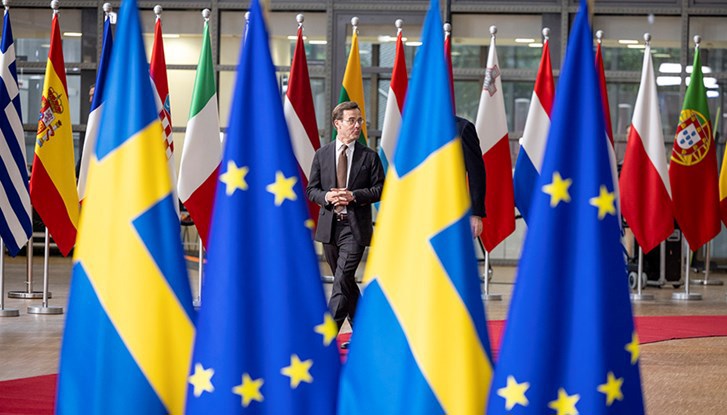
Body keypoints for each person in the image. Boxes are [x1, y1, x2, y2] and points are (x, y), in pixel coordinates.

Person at [306, 101, 385, 347]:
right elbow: (311, 190)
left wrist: (354, 196)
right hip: (330, 228)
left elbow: (381, 189)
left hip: (355, 228)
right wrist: (327, 197)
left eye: (360, 121)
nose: (357, 125)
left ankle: (326, 337)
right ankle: (365, 333)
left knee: (341, 280)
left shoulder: (369, 156)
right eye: (351, 120)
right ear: (337, 123)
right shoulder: (322, 154)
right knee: (346, 281)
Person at [456, 116, 487, 237]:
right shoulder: (415, 130)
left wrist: (475, 213)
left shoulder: (462, 128)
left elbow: (476, 173)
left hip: (452, 212)